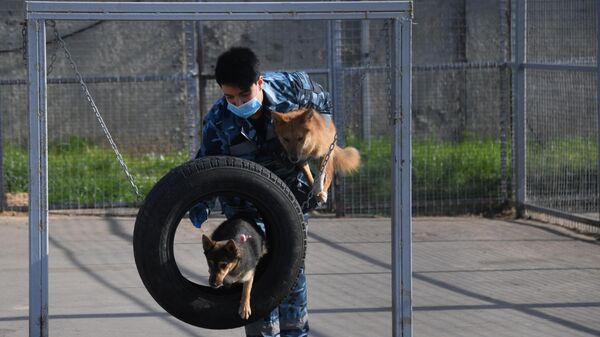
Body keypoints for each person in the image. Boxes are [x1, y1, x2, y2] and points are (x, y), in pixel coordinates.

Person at [189, 47, 332, 337]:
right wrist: (196, 205)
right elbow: (207, 163)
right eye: (230, 97)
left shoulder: (292, 87)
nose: (238, 102)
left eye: (244, 95)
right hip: (245, 209)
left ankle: (296, 332)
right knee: (253, 272)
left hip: (291, 198)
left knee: (291, 269)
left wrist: (321, 153)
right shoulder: (218, 120)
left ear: (259, 82)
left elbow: (324, 105)